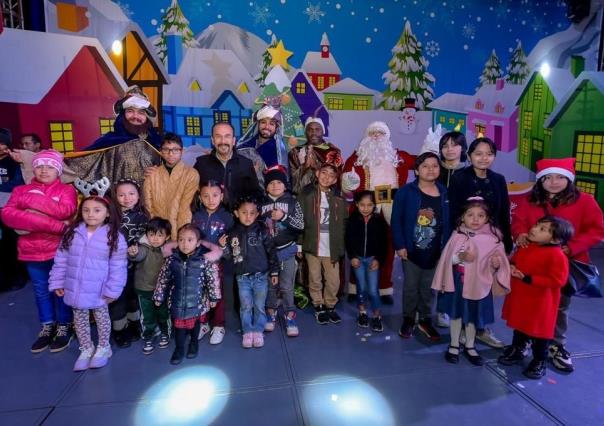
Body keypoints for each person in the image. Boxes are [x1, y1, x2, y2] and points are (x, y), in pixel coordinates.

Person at [511, 158, 604, 373]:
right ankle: (523, 341)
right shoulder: (530, 200)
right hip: (531, 263)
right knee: (528, 303)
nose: (554, 182)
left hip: (563, 264)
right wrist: (520, 234)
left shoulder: (585, 201)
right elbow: (519, 221)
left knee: (558, 306)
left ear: (569, 179)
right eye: (549, 177)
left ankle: (555, 344)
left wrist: (571, 247)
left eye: (560, 177)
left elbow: (596, 230)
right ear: (540, 180)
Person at [1, 150, 77, 352]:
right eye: (40, 166)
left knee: (61, 288)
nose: (44, 170)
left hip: (58, 249)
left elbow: (65, 211)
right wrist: (57, 226)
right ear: (33, 168)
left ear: (58, 170)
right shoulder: (20, 190)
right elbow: (8, 216)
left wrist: (30, 204)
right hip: (31, 250)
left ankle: (64, 325)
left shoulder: (66, 190)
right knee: (41, 290)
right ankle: (47, 325)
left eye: (50, 166)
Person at [48, 195, 128, 371]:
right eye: (86, 210)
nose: (91, 214)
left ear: (107, 213)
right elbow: (61, 260)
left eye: (97, 210)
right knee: (80, 318)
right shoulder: (73, 233)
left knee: (102, 318)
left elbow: (118, 266)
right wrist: (57, 282)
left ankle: (103, 347)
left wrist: (113, 290)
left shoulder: (114, 236)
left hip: (98, 289)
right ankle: (86, 348)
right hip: (75, 287)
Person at [341, 121, 416, 304]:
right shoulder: (357, 157)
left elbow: (421, 161)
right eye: (372, 132)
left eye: (380, 133)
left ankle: (384, 288)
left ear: (387, 136)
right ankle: (355, 286)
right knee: (359, 247)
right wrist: (347, 185)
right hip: (365, 207)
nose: (376, 136)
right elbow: (345, 181)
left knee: (388, 248)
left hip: (391, 206)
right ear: (366, 136)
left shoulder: (398, 156)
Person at [448, 136, 511, 349]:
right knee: (465, 286)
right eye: (478, 153)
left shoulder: (498, 179)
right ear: (469, 156)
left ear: (494, 156)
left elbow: (503, 213)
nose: (484, 158)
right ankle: (465, 329)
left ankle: (480, 328)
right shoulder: (459, 178)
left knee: (485, 287)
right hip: (467, 241)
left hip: (491, 242)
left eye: (489, 154)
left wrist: (506, 243)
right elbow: (453, 211)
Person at [432, 197, 510, 366]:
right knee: (456, 315)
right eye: (470, 215)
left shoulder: (492, 240)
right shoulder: (457, 236)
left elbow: (497, 264)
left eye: (480, 215)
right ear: (462, 217)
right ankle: (453, 344)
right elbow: (447, 261)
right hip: (458, 283)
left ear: (487, 218)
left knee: (473, 317)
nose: (475, 219)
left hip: (478, 285)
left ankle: (470, 345)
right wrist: (459, 257)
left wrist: (495, 264)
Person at [500, 216, 573, 379]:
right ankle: (517, 348)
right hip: (522, 297)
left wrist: (528, 278)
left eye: (542, 229)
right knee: (520, 325)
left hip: (540, 301)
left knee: (540, 333)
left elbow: (558, 280)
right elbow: (515, 260)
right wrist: (511, 266)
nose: (533, 229)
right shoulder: (527, 246)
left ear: (555, 239)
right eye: (536, 225)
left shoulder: (557, 255)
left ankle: (539, 359)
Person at [392, 152, 450, 342]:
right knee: (410, 287)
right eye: (425, 166)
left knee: (428, 288)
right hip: (411, 250)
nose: (430, 169)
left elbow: (448, 222)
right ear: (416, 170)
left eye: (435, 165)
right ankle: (409, 318)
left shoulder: (444, 193)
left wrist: (447, 248)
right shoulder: (405, 192)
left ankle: (425, 319)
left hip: (435, 251)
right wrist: (400, 245)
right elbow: (396, 221)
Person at [64, 86, 161, 185]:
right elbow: (80, 166)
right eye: (130, 111)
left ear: (147, 118)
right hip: (119, 198)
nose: (135, 116)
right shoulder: (109, 142)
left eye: (141, 112)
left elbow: (174, 171)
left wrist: (162, 173)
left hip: (151, 198)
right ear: (122, 115)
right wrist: (56, 160)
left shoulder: (158, 144)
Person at [154, 224, 221, 365]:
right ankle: (179, 349)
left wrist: (214, 297)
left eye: (190, 240)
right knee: (178, 327)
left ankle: (194, 344)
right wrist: (159, 296)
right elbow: (163, 278)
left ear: (197, 243)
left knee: (194, 325)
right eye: (181, 240)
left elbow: (212, 279)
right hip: (177, 301)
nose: (185, 244)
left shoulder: (204, 261)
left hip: (196, 301)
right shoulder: (172, 260)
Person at [222, 196, 279, 348]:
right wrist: (223, 247)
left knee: (259, 305)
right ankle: (247, 331)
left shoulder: (262, 231)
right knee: (246, 306)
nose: (248, 216)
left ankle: (258, 330)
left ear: (257, 214)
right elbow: (229, 256)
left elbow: (272, 253)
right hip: (242, 278)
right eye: (244, 212)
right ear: (236, 213)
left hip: (261, 276)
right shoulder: (232, 233)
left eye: (252, 213)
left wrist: (274, 272)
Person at [299, 162, 349, 325]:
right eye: (324, 173)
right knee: (314, 278)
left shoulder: (338, 198)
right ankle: (318, 305)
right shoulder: (306, 194)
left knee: (333, 280)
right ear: (318, 173)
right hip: (312, 244)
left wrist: (342, 245)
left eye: (331, 176)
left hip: (332, 246)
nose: (327, 177)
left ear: (335, 180)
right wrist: (299, 244)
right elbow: (299, 220)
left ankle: (330, 305)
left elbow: (344, 223)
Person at [260, 166, 304, 337]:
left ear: (285, 185)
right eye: (271, 183)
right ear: (266, 186)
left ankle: (289, 315)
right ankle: (270, 314)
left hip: (287, 251)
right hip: (267, 254)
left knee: (286, 286)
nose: (275, 185)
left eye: (279, 182)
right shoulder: (261, 203)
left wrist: (284, 217)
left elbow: (300, 225)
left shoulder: (293, 202)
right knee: (270, 286)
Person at [191, 180, 234, 345]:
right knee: (201, 293)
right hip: (199, 262)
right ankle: (203, 323)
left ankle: (218, 325)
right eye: (206, 196)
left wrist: (224, 247)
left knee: (218, 294)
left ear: (221, 196)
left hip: (218, 264)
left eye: (215, 195)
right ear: (200, 197)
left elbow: (232, 244)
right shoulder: (196, 215)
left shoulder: (227, 217)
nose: (211, 200)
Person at [110, 178, 148, 348]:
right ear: (115, 196)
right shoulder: (110, 216)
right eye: (122, 195)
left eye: (131, 193)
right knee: (118, 297)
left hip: (136, 265)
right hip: (115, 267)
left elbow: (146, 240)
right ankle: (119, 329)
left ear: (139, 195)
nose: (127, 198)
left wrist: (138, 250)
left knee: (133, 296)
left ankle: (134, 324)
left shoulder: (143, 215)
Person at [128, 217, 172, 355]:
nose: (155, 239)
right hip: (144, 289)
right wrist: (133, 253)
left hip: (163, 290)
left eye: (160, 235)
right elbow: (137, 255)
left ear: (167, 236)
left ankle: (165, 333)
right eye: (151, 235)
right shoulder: (143, 248)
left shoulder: (168, 250)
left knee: (163, 313)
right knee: (147, 316)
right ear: (146, 235)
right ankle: (148, 336)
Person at [194, 122, 262, 210]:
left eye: (227, 136)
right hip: (209, 220)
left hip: (237, 220)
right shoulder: (201, 164)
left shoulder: (246, 164)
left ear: (233, 141)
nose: (223, 141)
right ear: (212, 140)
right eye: (218, 136)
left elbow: (256, 194)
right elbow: (192, 194)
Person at [345, 190, 388, 332]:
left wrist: (378, 259)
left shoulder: (379, 221)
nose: (365, 208)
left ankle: (376, 315)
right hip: (358, 259)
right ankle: (362, 312)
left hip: (372, 260)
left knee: (373, 290)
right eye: (362, 205)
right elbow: (348, 240)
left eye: (369, 205)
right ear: (356, 204)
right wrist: (352, 257)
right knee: (361, 288)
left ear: (374, 205)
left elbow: (384, 244)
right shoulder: (352, 220)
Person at [144, 133, 199, 241]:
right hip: (157, 234)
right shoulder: (152, 175)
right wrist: (158, 233)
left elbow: (185, 209)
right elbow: (148, 207)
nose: (171, 153)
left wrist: (180, 237)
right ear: (161, 151)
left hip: (181, 234)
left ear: (182, 151)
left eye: (175, 149)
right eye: (166, 149)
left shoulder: (191, 174)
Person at [0, 128, 27, 292]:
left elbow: (19, 182)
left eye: (3, 144)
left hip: (10, 207)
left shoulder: (14, 162)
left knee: (12, 243)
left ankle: (17, 277)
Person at [289, 117, 343, 195]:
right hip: (303, 197)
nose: (313, 132)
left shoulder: (333, 151)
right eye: (310, 129)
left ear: (323, 131)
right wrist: (305, 167)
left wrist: (316, 167)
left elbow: (336, 179)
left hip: (327, 197)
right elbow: (291, 180)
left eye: (317, 129)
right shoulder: (295, 152)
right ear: (305, 132)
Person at [237, 104, 289, 175]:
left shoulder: (280, 152)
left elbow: (282, 179)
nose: (267, 127)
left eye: (271, 124)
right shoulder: (243, 148)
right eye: (263, 122)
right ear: (257, 125)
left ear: (276, 128)